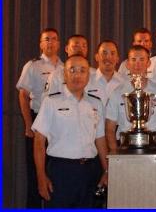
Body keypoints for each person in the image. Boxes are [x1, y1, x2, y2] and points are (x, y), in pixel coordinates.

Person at [32, 55, 108, 208]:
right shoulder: (51, 102)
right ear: (64, 74)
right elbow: (39, 141)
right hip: (61, 172)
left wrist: (107, 171)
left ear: (88, 75)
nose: (77, 75)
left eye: (82, 70)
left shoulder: (96, 103)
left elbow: (100, 139)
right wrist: (40, 177)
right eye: (72, 70)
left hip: (89, 171)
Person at [16, 28, 63, 208]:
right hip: (37, 122)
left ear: (59, 44)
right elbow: (23, 95)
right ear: (41, 44)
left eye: (54, 39)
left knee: (55, 170)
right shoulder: (33, 66)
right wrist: (28, 124)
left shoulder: (64, 67)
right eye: (46, 39)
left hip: (58, 124)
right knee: (36, 173)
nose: (50, 42)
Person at [106, 45, 156, 153]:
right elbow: (110, 127)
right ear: (127, 64)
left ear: (148, 63)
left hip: (153, 148)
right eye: (133, 60)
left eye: (142, 59)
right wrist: (115, 153)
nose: (137, 64)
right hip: (124, 148)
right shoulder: (117, 93)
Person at [43, 34, 94, 99]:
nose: (80, 49)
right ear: (67, 49)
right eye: (76, 46)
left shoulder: (94, 74)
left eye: (84, 46)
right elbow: (49, 101)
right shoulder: (57, 75)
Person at [86, 40, 123, 106]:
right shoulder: (86, 81)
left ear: (117, 59)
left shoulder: (125, 82)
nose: (108, 57)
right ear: (96, 57)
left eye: (112, 53)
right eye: (104, 53)